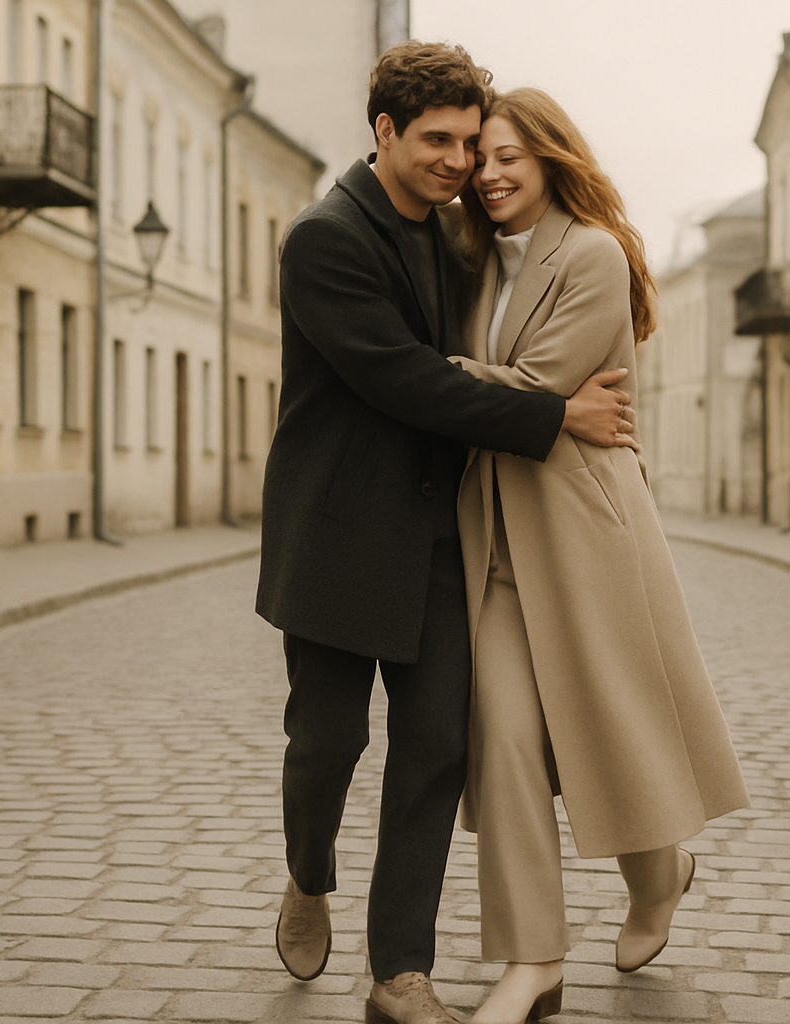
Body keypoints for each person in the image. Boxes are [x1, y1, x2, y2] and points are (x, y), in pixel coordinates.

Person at [255, 46, 638, 1024]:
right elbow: (404, 380)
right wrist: (556, 414)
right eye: (439, 140)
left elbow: (512, 316)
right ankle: (308, 873)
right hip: (338, 534)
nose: (460, 161)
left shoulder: (454, 232)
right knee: (329, 742)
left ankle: (400, 974)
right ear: (384, 131)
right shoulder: (325, 239)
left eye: (470, 142)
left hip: (436, 534)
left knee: (434, 749)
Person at [446, 88, 750, 1024]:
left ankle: (659, 877)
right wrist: (483, 390)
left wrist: (422, 378)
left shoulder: (591, 254)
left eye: (510, 157)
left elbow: (537, 386)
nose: (490, 175)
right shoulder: (470, 259)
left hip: (583, 525)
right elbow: (529, 399)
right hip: (496, 537)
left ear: (551, 158)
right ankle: (533, 961)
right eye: (481, 159)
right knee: (503, 740)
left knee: (612, 724)